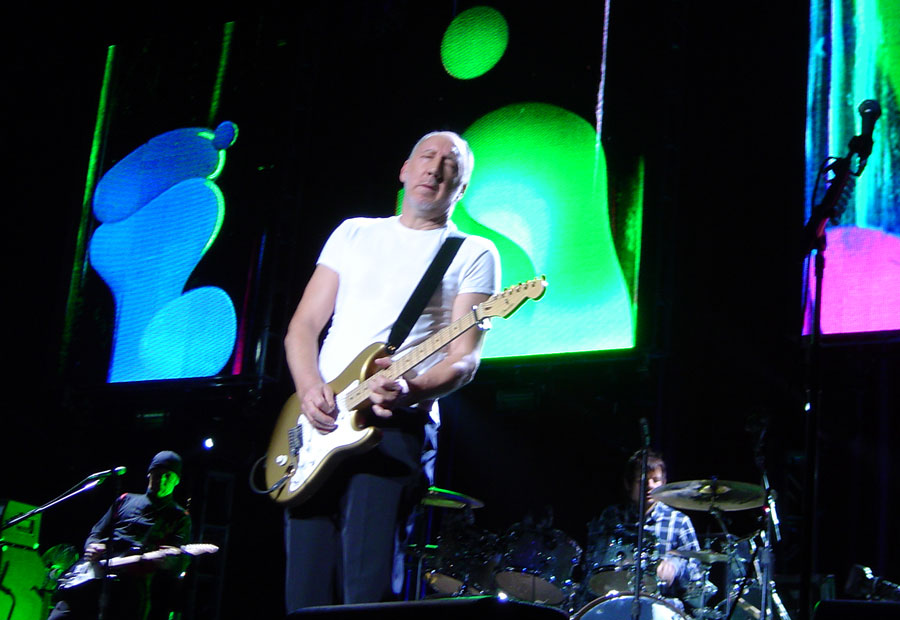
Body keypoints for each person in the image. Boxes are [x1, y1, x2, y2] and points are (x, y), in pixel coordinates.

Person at [282, 130, 500, 611]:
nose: (435, 168)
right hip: (319, 423)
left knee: (369, 586)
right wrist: (309, 388)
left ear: (460, 189)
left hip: (395, 426)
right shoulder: (353, 232)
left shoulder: (473, 252)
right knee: (304, 592)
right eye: (427, 156)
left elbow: (464, 357)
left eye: (451, 165)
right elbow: (303, 328)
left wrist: (411, 387)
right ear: (404, 169)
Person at [49, 451, 192, 620]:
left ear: (177, 480)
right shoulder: (125, 499)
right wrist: (92, 546)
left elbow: (180, 563)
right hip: (91, 577)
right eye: (157, 473)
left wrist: (171, 562)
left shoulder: (179, 517)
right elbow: (96, 532)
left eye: (168, 475)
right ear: (149, 473)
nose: (162, 479)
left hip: (129, 592)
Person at [585, 449, 702, 608]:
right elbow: (593, 564)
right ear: (628, 483)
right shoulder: (610, 517)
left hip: (663, 607)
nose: (649, 486)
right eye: (642, 481)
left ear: (664, 483)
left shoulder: (679, 522)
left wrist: (676, 566)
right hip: (614, 603)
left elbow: (697, 577)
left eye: (655, 480)